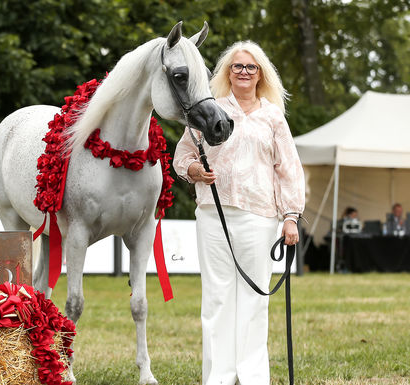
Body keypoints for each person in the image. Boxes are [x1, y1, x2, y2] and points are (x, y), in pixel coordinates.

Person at [173, 40, 304, 385]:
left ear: (261, 74)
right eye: (237, 66)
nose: (243, 72)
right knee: (217, 297)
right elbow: (181, 157)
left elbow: (288, 168)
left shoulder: (273, 116)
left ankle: (252, 376)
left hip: (259, 217)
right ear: (227, 73)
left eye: (250, 67)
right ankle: (218, 376)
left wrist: (291, 216)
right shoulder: (209, 108)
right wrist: (195, 172)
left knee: (254, 297)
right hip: (214, 215)